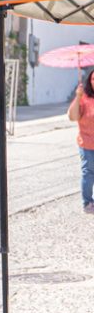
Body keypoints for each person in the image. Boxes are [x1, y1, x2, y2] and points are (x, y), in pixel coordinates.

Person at [68, 67, 94, 214]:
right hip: (87, 143)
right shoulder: (84, 98)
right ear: (90, 81)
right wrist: (78, 96)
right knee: (88, 172)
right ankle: (88, 203)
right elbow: (72, 117)